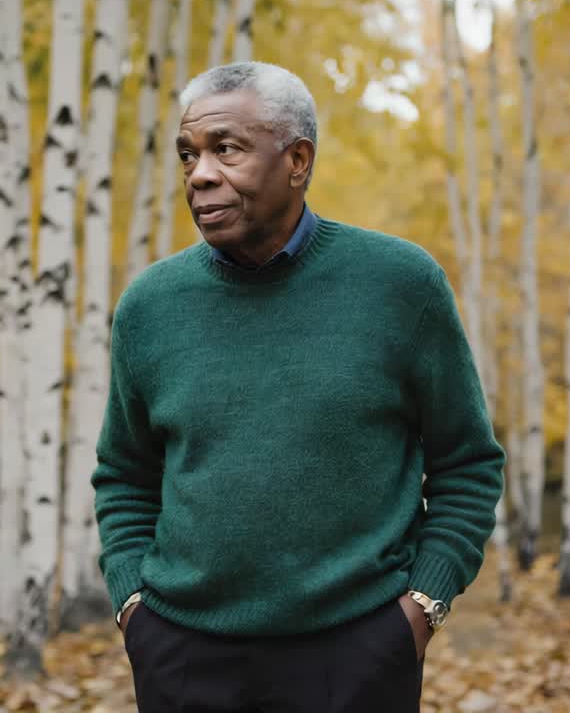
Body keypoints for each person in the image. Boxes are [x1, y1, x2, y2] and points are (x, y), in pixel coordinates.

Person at [91, 61, 505, 713]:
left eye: (225, 149)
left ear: (297, 161)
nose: (199, 174)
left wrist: (420, 607)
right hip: (182, 656)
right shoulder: (149, 306)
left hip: (359, 654)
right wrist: (135, 611)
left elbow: (468, 463)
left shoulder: (400, 285)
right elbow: (123, 475)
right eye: (187, 155)